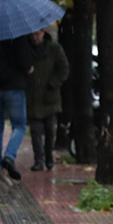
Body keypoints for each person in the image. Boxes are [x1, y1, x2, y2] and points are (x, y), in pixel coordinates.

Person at [0, 34, 35, 183]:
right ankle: (9, 156)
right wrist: (29, 68)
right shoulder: (18, 34)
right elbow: (25, 61)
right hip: (14, 87)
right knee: (20, 126)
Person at [25, 29, 70, 171]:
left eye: (37, 34)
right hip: (32, 96)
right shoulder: (26, 48)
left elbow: (64, 68)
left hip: (50, 97)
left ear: (43, 33)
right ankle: (39, 159)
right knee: (36, 130)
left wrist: (54, 83)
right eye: (32, 34)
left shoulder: (54, 49)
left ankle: (49, 155)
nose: (34, 37)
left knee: (50, 129)